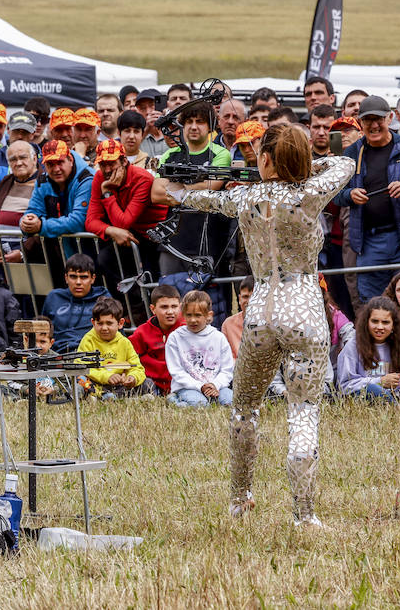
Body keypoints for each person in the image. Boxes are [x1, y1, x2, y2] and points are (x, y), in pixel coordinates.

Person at [154, 122, 353, 525]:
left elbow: (203, 200)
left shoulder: (246, 197)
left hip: (260, 307)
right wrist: (307, 166)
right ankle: (304, 514)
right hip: (303, 306)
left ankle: (240, 499)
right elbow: (346, 163)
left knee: (245, 409)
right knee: (303, 411)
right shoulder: (311, 192)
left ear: (264, 159)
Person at [334, 95, 400, 304]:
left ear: (390, 118)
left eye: (379, 119)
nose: (374, 125)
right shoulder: (352, 153)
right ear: (361, 123)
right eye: (368, 120)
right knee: (372, 304)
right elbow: (336, 194)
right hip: (368, 243)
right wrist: (349, 195)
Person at [153, 103, 232, 277]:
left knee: (201, 301)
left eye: (200, 121)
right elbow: (156, 193)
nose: (194, 126)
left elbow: (211, 187)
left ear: (210, 126)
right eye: (189, 121)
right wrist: (194, 190)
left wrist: (176, 189)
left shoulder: (220, 154)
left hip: (206, 242)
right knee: (169, 298)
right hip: (172, 242)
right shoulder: (170, 154)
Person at [85, 139, 166, 298]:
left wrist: (107, 193)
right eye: (103, 164)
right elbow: (90, 220)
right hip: (131, 234)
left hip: (156, 234)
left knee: (152, 281)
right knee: (104, 260)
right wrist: (111, 230)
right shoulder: (100, 178)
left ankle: (148, 311)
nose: (107, 169)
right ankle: (130, 309)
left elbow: (124, 222)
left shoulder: (142, 179)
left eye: (111, 163)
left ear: (124, 161)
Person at [20, 141, 94, 277]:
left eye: (60, 162)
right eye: (50, 164)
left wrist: (41, 226)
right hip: (58, 253)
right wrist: (26, 222)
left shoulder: (87, 179)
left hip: (91, 251)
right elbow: (33, 210)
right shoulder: (43, 180)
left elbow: (78, 221)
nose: (56, 169)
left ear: (70, 160)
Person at [165, 290, 235, 407]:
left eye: (198, 315)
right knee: (201, 405)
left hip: (216, 386)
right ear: (183, 314)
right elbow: (176, 371)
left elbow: (227, 370)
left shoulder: (219, 337)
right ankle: (174, 401)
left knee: (231, 402)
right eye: (189, 315)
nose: (193, 320)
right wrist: (200, 386)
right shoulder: (175, 338)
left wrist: (214, 385)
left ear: (209, 315)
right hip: (187, 387)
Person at [336, 298, 400, 402]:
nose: (380, 327)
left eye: (385, 322)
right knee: (374, 389)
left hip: (397, 398)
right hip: (366, 398)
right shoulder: (353, 346)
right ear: (366, 322)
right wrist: (380, 382)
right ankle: (396, 408)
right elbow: (344, 385)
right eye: (375, 321)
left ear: (393, 325)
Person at [76, 297, 149, 399]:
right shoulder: (88, 340)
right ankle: (98, 396)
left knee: (147, 383)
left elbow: (136, 366)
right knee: (80, 379)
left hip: (119, 385)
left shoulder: (125, 342)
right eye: (100, 323)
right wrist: (107, 377)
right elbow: (83, 367)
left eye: (109, 323)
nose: (104, 328)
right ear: (93, 323)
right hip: (97, 384)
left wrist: (132, 377)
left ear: (120, 323)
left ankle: (116, 397)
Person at [0, 140, 38, 265]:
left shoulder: (43, 183)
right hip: (1, 259)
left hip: (33, 259)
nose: (18, 163)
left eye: (23, 157)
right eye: (13, 159)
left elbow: (46, 223)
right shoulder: (7, 182)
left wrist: (24, 252)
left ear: (34, 159)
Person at [40, 253, 108, 352]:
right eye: (73, 277)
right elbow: (42, 333)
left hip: (92, 353)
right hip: (57, 354)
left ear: (93, 279)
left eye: (84, 277)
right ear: (66, 278)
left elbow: (116, 333)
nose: (78, 282)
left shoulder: (102, 298)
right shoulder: (54, 297)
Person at [128, 283, 182, 395]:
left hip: (181, 382)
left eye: (174, 306)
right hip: (153, 384)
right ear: (153, 309)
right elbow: (126, 354)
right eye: (164, 307)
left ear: (180, 307)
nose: (170, 312)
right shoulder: (142, 332)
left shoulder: (186, 328)